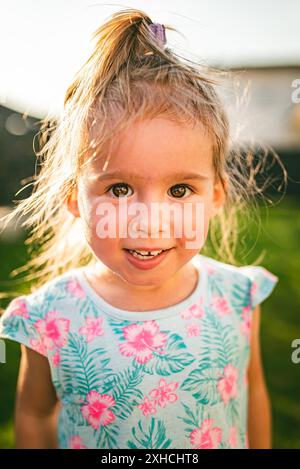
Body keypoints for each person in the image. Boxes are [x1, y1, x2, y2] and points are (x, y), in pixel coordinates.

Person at [0, 8, 280, 449]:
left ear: (217, 195)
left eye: (181, 190)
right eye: (121, 187)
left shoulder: (237, 299)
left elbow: (253, 393)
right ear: (75, 197)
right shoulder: (50, 318)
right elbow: (34, 416)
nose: (150, 219)